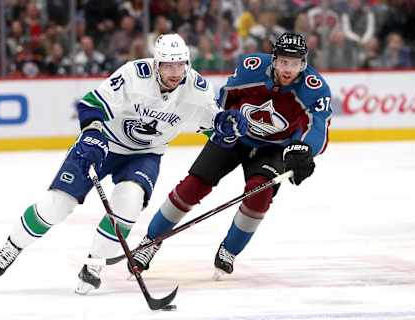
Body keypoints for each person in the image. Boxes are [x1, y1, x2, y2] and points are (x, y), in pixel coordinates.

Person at [0, 34, 247, 294]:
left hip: (145, 153)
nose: (175, 72)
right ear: (157, 64)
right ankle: (13, 246)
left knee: (129, 203)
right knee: (57, 205)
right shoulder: (134, 75)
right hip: (104, 143)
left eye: (180, 64)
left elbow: (213, 124)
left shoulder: (196, 88)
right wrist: (93, 135)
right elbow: (91, 104)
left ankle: (94, 264)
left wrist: (226, 126)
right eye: (168, 65)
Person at [130, 32, 333, 279]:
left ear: (304, 63)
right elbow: (225, 97)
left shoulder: (315, 88)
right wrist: (220, 122)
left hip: (273, 149)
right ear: (273, 59)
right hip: (234, 136)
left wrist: (304, 149)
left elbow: (318, 125)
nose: (287, 68)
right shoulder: (252, 68)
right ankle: (150, 242)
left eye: (294, 63)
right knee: (193, 187)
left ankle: (229, 250)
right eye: (282, 61)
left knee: (260, 192)